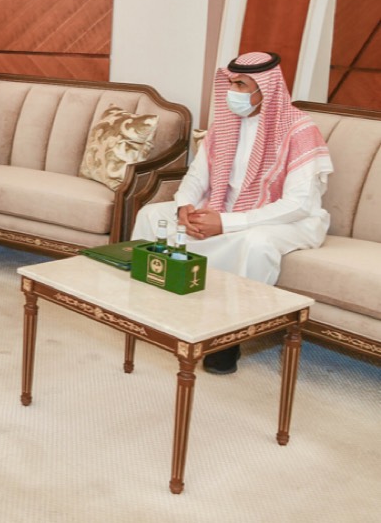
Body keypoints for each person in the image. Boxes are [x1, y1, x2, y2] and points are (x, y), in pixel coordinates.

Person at [132, 51, 333, 374]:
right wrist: (185, 206)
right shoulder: (226, 123)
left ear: (265, 89)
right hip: (223, 208)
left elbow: (298, 204)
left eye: (240, 85)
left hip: (285, 219)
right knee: (153, 216)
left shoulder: (299, 129)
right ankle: (153, 309)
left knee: (255, 244)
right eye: (231, 83)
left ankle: (229, 337)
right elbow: (197, 176)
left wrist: (225, 223)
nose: (232, 92)